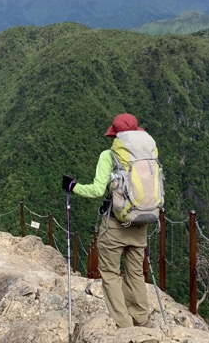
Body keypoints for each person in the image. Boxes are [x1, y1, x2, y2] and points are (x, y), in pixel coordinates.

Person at [61, 113, 152, 329]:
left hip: (115, 224)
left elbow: (96, 190)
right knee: (136, 272)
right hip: (141, 222)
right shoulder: (148, 155)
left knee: (111, 273)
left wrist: (73, 186)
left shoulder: (109, 155)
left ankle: (124, 326)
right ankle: (142, 319)